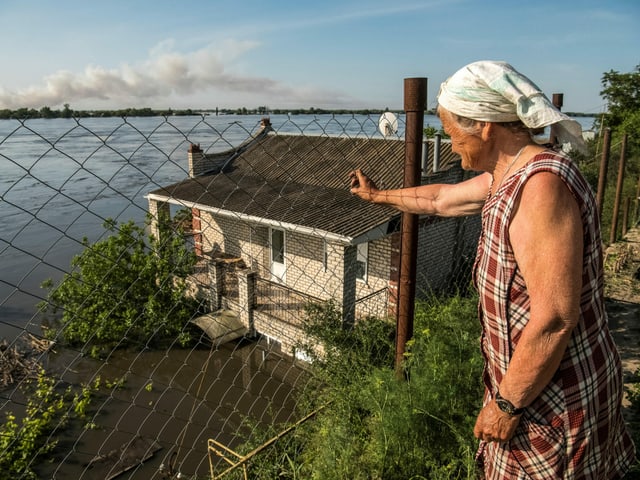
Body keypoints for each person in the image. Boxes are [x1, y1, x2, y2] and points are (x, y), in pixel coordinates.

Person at [350, 60, 636, 479]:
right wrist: (378, 197)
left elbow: (555, 318)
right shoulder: (511, 175)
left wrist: (506, 404)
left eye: (451, 132)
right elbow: (440, 200)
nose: (449, 145)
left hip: (553, 396)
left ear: (484, 126)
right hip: (538, 386)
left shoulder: (539, 188)